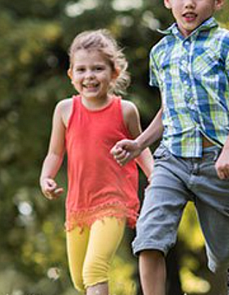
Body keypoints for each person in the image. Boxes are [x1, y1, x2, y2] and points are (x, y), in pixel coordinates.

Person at [110, 0, 229, 295]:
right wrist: (140, 143)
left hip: (216, 162)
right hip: (172, 160)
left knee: (222, 255)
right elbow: (169, 109)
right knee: (148, 237)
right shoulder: (161, 52)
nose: (189, 3)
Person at [39, 29, 154, 295]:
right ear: (71, 75)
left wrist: (155, 176)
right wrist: (46, 177)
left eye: (98, 69)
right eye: (81, 70)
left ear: (113, 73)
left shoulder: (125, 111)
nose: (89, 76)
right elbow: (55, 153)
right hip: (78, 203)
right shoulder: (64, 110)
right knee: (80, 280)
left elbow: (140, 148)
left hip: (114, 201)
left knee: (94, 270)